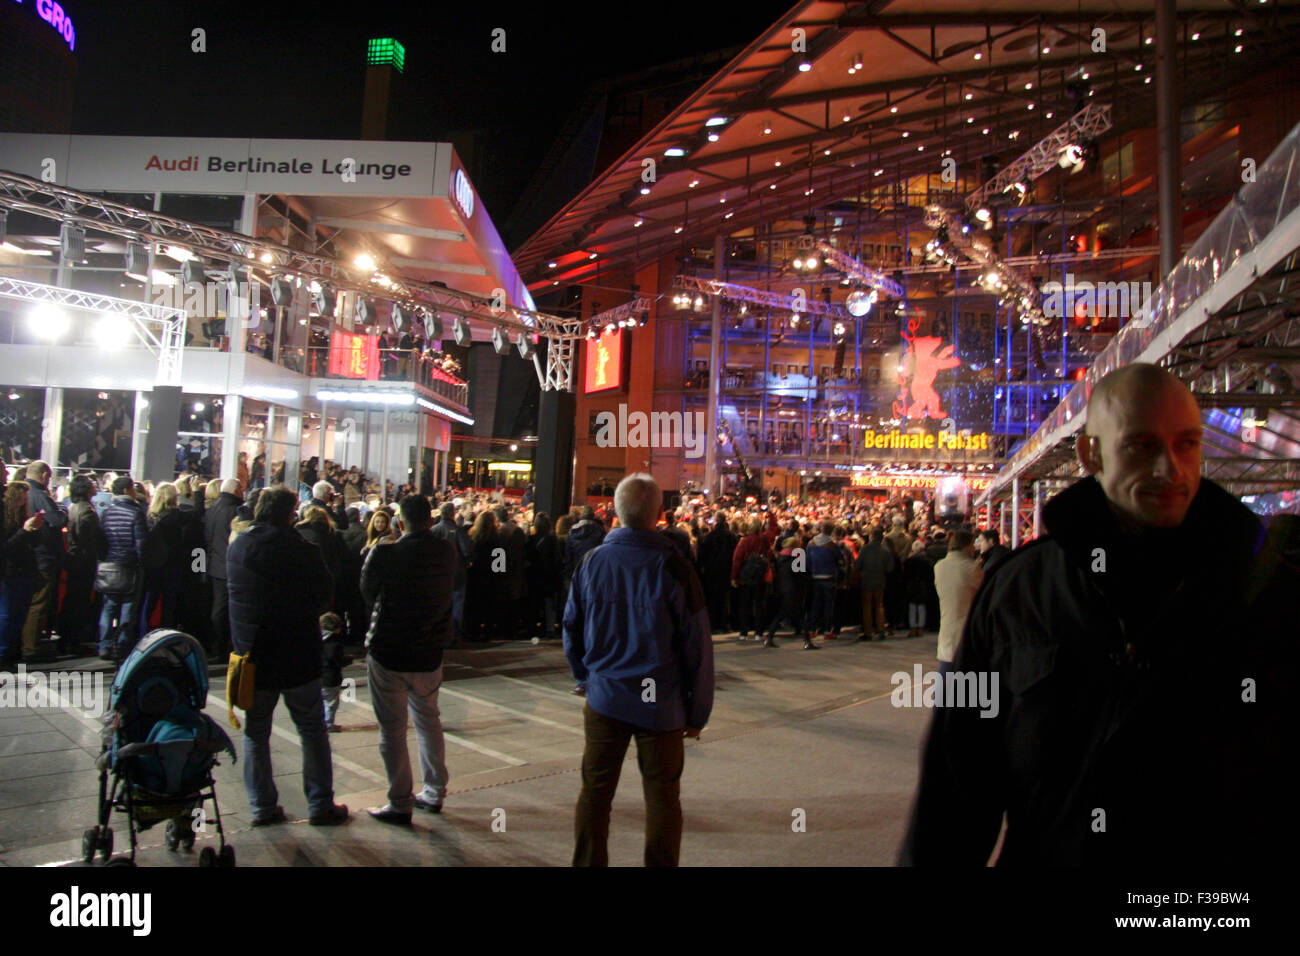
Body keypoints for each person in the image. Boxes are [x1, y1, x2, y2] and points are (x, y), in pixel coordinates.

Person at [899, 363, 1280, 867]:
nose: (1170, 468)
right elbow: (954, 789)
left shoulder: (1269, 590)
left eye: (1187, 443)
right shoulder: (1018, 592)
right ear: (1090, 453)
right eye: (1142, 445)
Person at [563, 474, 714, 866]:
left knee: (594, 795)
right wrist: (698, 712)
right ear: (659, 515)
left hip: (605, 695)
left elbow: (571, 626)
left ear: (615, 511)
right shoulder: (676, 568)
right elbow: (698, 645)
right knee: (663, 799)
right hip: (660, 704)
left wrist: (584, 676)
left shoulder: (591, 562)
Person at [226, 485, 348, 827]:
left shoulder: (239, 548)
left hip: (253, 655)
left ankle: (262, 807)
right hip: (297, 653)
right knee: (311, 729)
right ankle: (320, 804)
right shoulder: (301, 550)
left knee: (255, 732)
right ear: (289, 513)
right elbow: (324, 595)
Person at [361, 494, 456, 824]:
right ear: (430, 520)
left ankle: (399, 800)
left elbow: (367, 590)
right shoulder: (446, 550)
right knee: (429, 720)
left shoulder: (387, 551)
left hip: (389, 649)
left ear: (400, 522)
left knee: (392, 730)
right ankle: (434, 789)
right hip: (429, 651)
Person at [20, 461, 67, 662]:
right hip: (44, 557)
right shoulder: (40, 495)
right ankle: (30, 648)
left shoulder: (23, 492)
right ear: (44, 476)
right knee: (39, 603)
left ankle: (24, 644)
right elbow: (57, 520)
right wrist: (62, 511)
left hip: (29, 555)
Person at [97, 476, 147, 661]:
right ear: (127, 491)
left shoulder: (106, 513)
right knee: (127, 608)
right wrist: (142, 563)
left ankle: (104, 645)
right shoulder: (136, 513)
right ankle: (122, 646)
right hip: (129, 566)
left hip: (109, 566)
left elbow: (101, 541)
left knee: (108, 607)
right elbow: (141, 543)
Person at [0, 482, 44, 671]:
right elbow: (6, 547)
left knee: (19, 615)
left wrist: (35, 529)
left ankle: (10, 652)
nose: (24, 501)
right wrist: (24, 531)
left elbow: (32, 544)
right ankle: (2, 655)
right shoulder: (6, 518)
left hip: (25, 572)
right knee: (7, 615)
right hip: (9, 573)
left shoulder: (21, 516)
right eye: (21, 497)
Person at [59, 475, 105, 653]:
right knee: (80, 600)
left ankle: (67, 638)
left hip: (74, 559)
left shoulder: (73, 507)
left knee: (72, 599)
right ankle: (73, 640)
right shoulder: (87, 511)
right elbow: (88, 539)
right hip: (83, 561)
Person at [930, 527, 982, 676]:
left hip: (947, 625)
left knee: (945, 668)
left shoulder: (939, 566)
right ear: (966, 546)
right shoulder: (972, 568)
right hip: (967, 628)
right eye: (972, 545)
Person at [139, 482, 187, 639]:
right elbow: (197, 513)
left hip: (153, 566)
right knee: (169, 605)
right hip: (172, 566)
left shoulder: (149, 516)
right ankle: (166, 638)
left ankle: (143, 636)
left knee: (149, 604)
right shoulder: (176, 516)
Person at [203, 477, 243, 659]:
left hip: (214, 566)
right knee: (224, 609)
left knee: (217, 606)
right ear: (235, 491)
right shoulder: (235, 512)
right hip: (229, 567)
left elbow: (207, 539)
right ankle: (221, 646)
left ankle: (216, 645)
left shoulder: (212, 510)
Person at [763, 536, 817, 650]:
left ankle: (769, 638)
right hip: (794, 589)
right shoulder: (798, 556)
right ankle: (807, 642)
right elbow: (801, 574)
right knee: (799, 615)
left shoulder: (781, 557)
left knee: (782, 614)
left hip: (783, 588)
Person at [730, 519, 771, 640]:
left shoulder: (744, 541)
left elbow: (737, 560)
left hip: (746, 578)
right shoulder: (764, 541)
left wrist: (734, 577)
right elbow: (768, 556)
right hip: (760, 577)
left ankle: (743, 633)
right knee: (759, 605)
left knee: (745, 605)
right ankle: (758, 633)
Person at [463, 510, 499, 643]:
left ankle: (472, 631)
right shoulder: (496, 539)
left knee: (474, 606)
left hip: (475, 576)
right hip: (490, 578)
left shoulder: (473, 538)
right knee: (489, 606)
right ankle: (487, 633)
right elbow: (499, 563)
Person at [525, 511, 561, 641]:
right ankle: (549, 629)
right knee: (549, 602)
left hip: (534, 574)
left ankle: (533, 628)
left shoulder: (531, 539)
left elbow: (527, 558)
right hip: (548, 574)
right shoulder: (552, 539)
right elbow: (556, 559)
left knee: (534, 602)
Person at [697, 516, 737, 633]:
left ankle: (714, 624)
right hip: (726, 570)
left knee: (713, 599)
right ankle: (725, 624)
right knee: (725, 598)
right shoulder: (731, 536)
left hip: (712, 572)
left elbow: (703, 555)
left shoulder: (709, 537)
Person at [855, 528, 895, 641]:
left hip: (866, 580)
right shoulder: (886, 550)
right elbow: (890, 568)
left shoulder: (865, 549)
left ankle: (868, 632)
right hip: (880, 580)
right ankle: (881, 629)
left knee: (867, 606)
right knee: (879, 605)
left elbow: (857, 564)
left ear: (871, 537)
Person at [495, 506, 528, 640]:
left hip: (504, 569)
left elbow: (499, 553)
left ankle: (503, 629)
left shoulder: (499, 532)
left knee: (503, 601)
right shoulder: (517, 530)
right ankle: (512, 629)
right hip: (517, 570)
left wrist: (498, 569)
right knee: (514, 600)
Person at [807, 520, 841, 640]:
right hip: (829, 577)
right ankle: (827, 630)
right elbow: (840, 559)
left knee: (815, 604)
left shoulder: (811, 543)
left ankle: (812, 629)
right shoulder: (832, 545)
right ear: (831, 531)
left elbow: (806, 561)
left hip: (815, 577)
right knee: (828, 605)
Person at [563, 506, 605, 599]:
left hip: (576, 570)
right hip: (593, 572)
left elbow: (568, 555)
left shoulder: (572, 531)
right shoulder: (600, 531)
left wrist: (568, 573)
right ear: (593, 515)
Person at [319, 612, 351, 732]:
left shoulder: (317, 640)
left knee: (321, 702)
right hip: (330, 678)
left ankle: (321, 722)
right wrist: (348, 659)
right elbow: (337, 660)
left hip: (318, 677)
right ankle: (328, 724)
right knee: (331, 703)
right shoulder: (334, 644)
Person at [902, 540, 935, 637]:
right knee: (921, 607)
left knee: (912, 607)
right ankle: (921, 628)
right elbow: (929, 575)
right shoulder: (926, 561)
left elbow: (905, 575)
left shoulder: (908, 561)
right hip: (922, 586)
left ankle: (913, 628)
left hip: (911, 586)